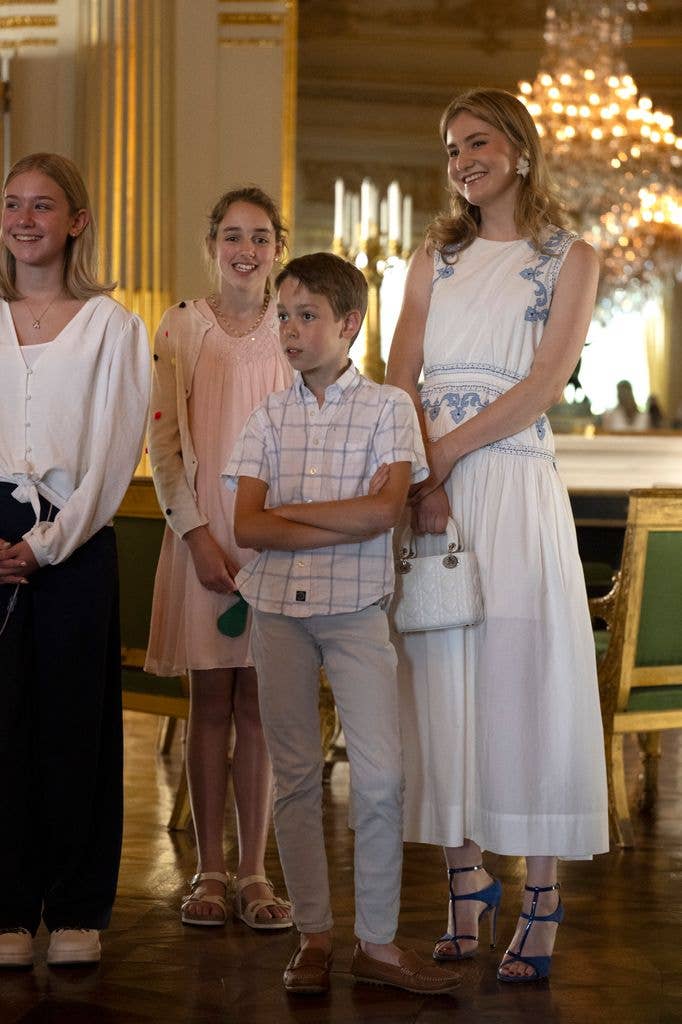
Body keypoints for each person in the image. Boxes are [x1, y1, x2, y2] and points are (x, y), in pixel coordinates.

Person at [385, 88, 609, 983]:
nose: (461, 159)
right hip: (434, 493)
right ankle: (465, 880)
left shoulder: (571, 257)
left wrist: (439, 459)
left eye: (476, 141)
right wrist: (422, 476)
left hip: (512, 486)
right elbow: (399, 372)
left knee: (523, 682)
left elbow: (546, 381)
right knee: (444, 681)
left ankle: (543, 895)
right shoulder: (431, 258)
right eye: (449, 148)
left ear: (518, 148)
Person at [224, 252, 460, 996]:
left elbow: (384, 510)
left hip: (357, 615)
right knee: (294, 779)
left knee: (382, 777)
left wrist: (290, 515)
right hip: (276, 614)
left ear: (348, 324)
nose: (289, 331)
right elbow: (247, 529)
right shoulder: (268, 412)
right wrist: (338, 520)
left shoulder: (390, 408)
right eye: (282, 316)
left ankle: (379, 943)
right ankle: (315, 936)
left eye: (306, 316)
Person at [0, 153, 150, 967]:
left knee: (73, 728)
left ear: (77, 222)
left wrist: (46, 544)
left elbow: (114, 452)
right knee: (2, 727)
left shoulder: (112, 326)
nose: (25, 220)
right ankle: (8, 910)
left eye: (44, 206)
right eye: (12, 205)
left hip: (75, 531)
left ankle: (77, 909)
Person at [145, 187, 293, 930]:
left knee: (261, 709)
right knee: (210, 704)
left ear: (278, 248)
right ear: (211, 245)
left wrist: (287, 537)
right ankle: (208, 870)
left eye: (261, 236)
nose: (247, 248)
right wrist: (196, 534)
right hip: (203, 537)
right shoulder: (181, 327)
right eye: (232, 234)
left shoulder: (296, 327)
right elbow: (164, 445)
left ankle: (257, 874)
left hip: (273, 541)